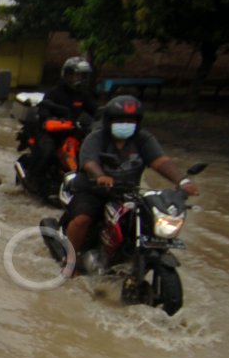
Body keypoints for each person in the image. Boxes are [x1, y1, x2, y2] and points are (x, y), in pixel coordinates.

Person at [62, 94, 199, 262]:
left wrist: (183, 181)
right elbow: (89, 163)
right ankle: (70, 260)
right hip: (94, 190)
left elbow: (161, 162)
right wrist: (100, 176)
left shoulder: (143, 139)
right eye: (120, 120)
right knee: (83, 219)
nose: (125, 124)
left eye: (131, 120)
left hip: (127, 193)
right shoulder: (96, 138)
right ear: (109, 121)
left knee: (148, 220)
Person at [22, 56, 101, 196]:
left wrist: (104, 118)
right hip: (51, 132)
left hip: (73, 132)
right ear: (67, 74)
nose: (79, 79)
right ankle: (32, 178)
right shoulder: (54, 93)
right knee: (47, 150)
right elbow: (44, 110)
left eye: (83, 76)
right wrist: (50, 119)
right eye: (76, 75)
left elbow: (95, 111)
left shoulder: (83, 95)